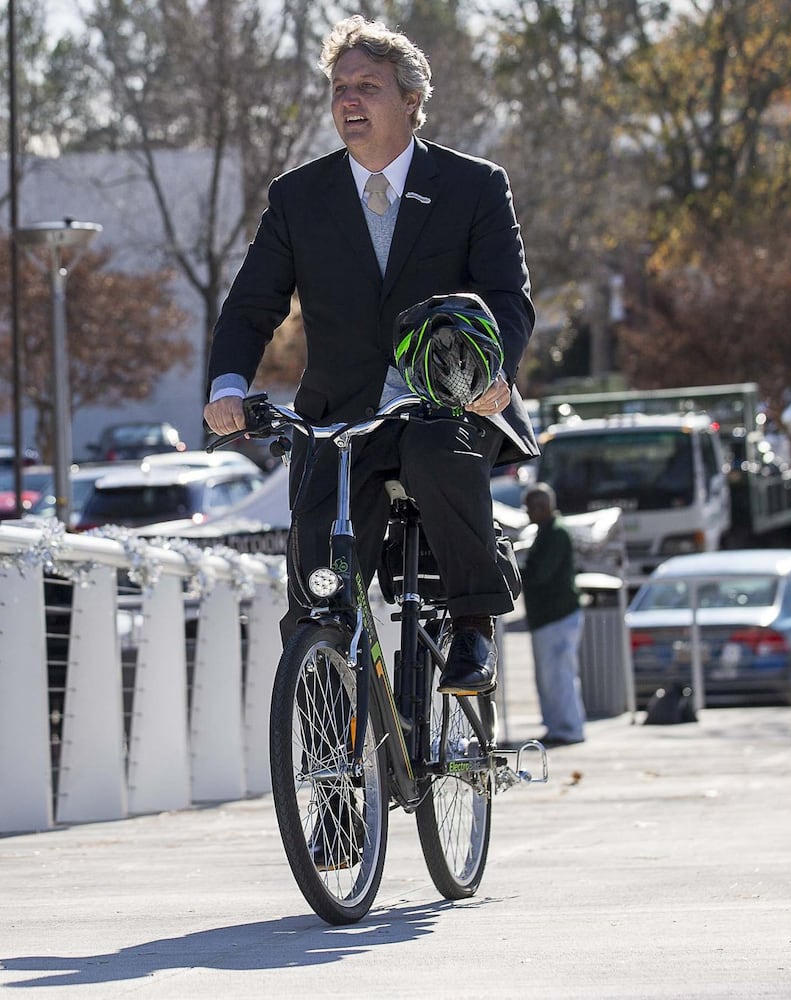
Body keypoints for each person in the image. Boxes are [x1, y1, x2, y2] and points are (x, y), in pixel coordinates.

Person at [203, 14, 536, 696]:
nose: (348, 101)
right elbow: (251, 304)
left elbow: (508, 296)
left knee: (438, 453)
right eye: (339, 88)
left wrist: (488, 373)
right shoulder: (299, 198)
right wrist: (229, 383)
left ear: (411, 100)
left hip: (445, 400)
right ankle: (325, 750)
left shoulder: (472, 185)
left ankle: (473, 623)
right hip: (340, 416)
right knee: (317, 585)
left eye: (368, 87)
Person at [521, 483, 586, 747]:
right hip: (546, 617)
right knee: (549, 678)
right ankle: (556, 726)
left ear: (542, 506)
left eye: (530, 507)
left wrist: (516, 572)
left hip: (558, 615)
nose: (527, 513)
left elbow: (541, 573)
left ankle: (569, 729)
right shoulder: (545, 532)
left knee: (560, 676)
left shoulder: (556, 533)